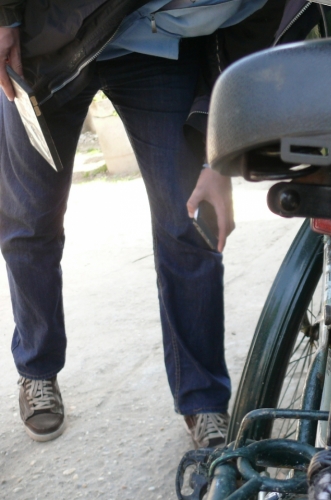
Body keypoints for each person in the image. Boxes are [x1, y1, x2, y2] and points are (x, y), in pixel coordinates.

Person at [0, 0, 274, 447]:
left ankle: (203, 398)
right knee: (29, 215)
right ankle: (37, 367)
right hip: (47, 36)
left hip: (157, 49)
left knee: (187, 217)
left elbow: (244, 56)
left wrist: (215, 159)